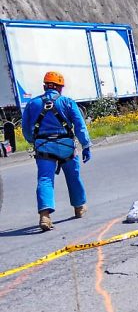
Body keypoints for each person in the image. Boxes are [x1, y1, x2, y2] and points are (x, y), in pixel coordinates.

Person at [21, 71, 92, 232]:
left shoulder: (33, 104)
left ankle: (45, 215)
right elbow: (80, 126)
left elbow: (25, 129)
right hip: (66, 146)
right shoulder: (67, 102)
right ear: (60, 88)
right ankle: (79, 207)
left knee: (45, 179)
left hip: (44, 146)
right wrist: (86, 145)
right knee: (73, 176)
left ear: (44, 86)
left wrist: (34, 141)